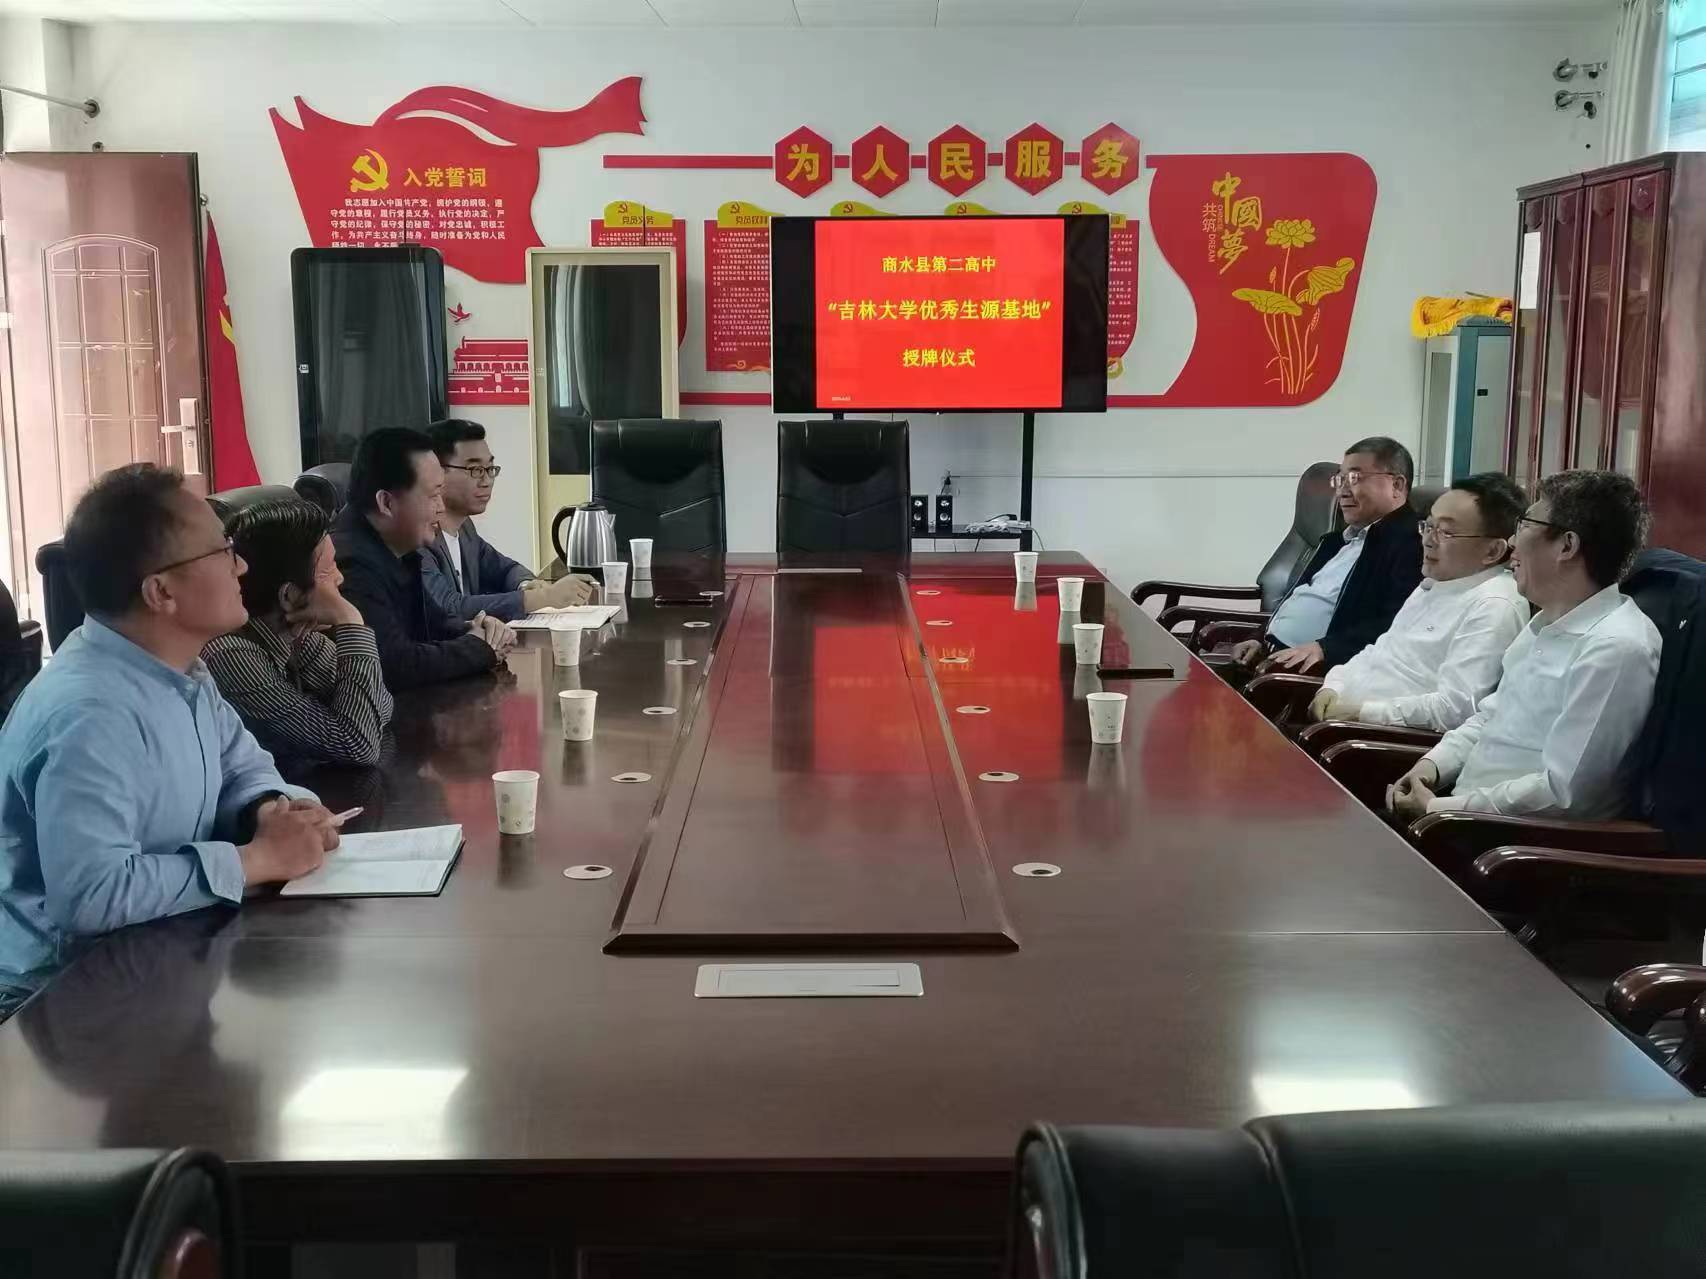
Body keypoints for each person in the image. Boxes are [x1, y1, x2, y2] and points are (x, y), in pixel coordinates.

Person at [0, 465, 338, 1015]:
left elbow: (242, 766)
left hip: (152, 955)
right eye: (224, 551)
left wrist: (274, 811)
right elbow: (92, 894)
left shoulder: (179, 669)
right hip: (57, 1000)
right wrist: (254, 860)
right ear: (161, 591)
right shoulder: (91, 714)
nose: (242, 566)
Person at [1389, 470, 1661, 822]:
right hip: (1460, 815)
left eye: (1525, 525)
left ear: (1567, 546)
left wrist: (1440, 809)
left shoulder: (1616, 648)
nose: (1512, 542)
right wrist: (1432, 766)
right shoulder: (1544, 621)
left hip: (1514, 840)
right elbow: (1490, 717)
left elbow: (1564, 793)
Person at [1307, 473, 1528, 731]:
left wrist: (1361, 713)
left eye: (1446, 532)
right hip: (1340, 721)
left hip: (1377, 740)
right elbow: (1379, 652)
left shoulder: (1494, 605)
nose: (1427, 541)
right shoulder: (1435, 583)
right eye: (1428, 526)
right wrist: (1333, 686)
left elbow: (1455, 709)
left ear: (1493, 551)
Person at [203, 497, 395, 768]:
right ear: (289, 596)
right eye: (328, 570)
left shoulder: (299, 637)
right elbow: (357, 744)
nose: (340, 577)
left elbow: (382, 704)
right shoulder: (230, 656)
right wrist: (350, 620)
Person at [331, 427, 515, 691]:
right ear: (386, 503)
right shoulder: (349, 564)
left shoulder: (398, 545)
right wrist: (479, 648)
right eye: (433, 495)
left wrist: (476, 629)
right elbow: (396, 665)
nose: (441, 507)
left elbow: (432, 622)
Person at [1230, 437, 1423, 675]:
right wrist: (1258, 637)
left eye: (1355, 478)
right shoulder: (1335, 542)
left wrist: (1326, 649)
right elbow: (1296, 603)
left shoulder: (1412, 545)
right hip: (1265, 659)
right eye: (1340, 479)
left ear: (1397, 485)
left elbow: (1399, 624)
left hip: (1307, 676)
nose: (1342, 491)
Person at [421, 418, 595, 622]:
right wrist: (543, 597)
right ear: (437, 472)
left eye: (490, 469)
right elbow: (450, 607)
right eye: (475, 470)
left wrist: (526, 585)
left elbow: (505, 569)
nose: (487, 481)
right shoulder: (418, 537)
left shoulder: (465, 528)